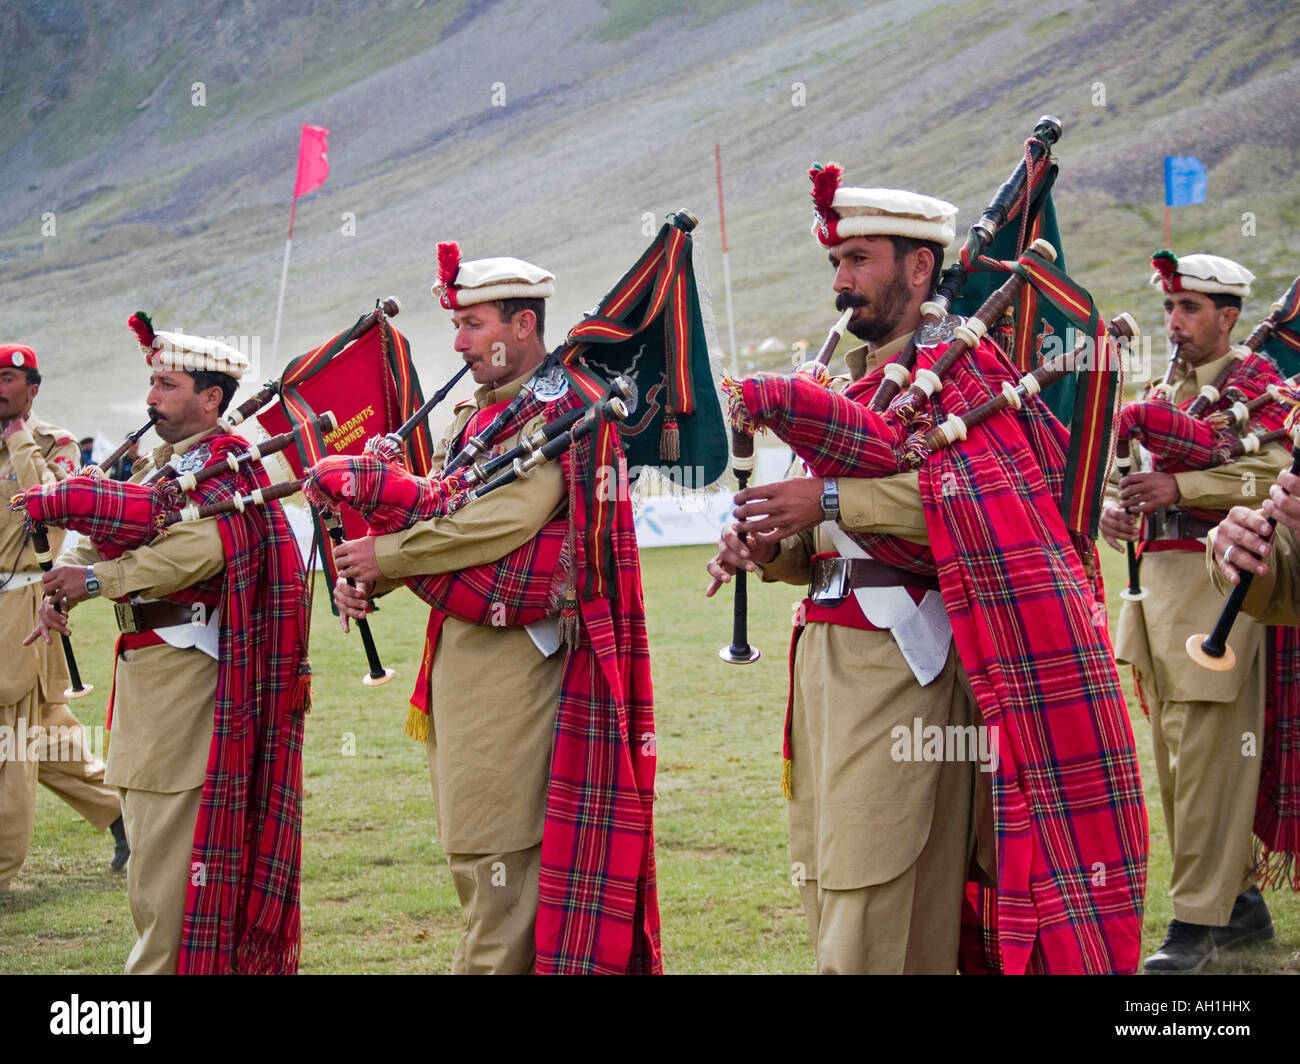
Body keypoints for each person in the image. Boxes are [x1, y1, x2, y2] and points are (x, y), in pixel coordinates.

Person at [706, 167, 1147, 974]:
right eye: (836, 262)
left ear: (919, 269)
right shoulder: (859, 388)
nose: (841, 281)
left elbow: (986, 512)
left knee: (879, 911)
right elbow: (827, 541)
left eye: (860, 260)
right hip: (830, 677)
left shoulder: (972, 380)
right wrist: (773, 546)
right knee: (835, 883)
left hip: (909, 679)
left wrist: (830, 495)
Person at [333, 247, 659, 974]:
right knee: (480, 870)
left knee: (500, 882)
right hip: (467, 668)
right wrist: (372, 573)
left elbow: (500, 523)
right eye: (454, 325)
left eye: (472, 324)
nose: (458, 343)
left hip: (518, 679)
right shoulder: (483, 415)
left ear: (521, 323)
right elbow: (445, 517)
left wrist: (387, 558)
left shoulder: (561, 410)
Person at [29, 321, 309, 974]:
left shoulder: (230, 468)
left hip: (190, 687)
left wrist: (97, 579)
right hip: (151, 681)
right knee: (155, 869)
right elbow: (113, 518)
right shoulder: (168, 468)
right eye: (151, 382)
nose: (152, 397)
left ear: (211, 399)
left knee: (169, 880)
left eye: (167, 384)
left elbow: (196, 551)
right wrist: (66, 578)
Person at [1100, 251, 1285, 972]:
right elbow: (1124, 480)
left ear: (1228, 315)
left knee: (1211, 759)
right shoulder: (1162, 393)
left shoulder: (1265, 390)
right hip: (1155, 593)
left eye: (1189, 309)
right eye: (1169, 309)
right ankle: (1236, 904)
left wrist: (1183, 490)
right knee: (1178, 762)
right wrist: (1117, 513)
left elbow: (1275, 472)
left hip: (1222, 592)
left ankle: (1198, 923)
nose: (1173, 323)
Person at [0, 343, 126, 893]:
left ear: (32, 389)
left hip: (24, 611)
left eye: (7, 378)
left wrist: (20, 440)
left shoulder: (57, 445)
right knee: (43, 738)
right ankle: (123, 816)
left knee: (12, 747)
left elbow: (49, 504)